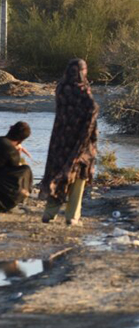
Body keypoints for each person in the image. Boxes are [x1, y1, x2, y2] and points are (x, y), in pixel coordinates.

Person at [40, 58, 99, 225]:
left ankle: (49, 213)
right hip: (81, 141)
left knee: (57, 174)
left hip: (59, 140)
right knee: (79, 176)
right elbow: (92, 108)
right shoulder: (83, 91)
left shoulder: (61, 89)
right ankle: (72, 216)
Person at [0, 122, 33, 213]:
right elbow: (15, 169)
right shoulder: (11, 150)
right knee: (25, 170)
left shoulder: (2, 140)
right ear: (21, 140)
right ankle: (11, 203)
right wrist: (18, 155)